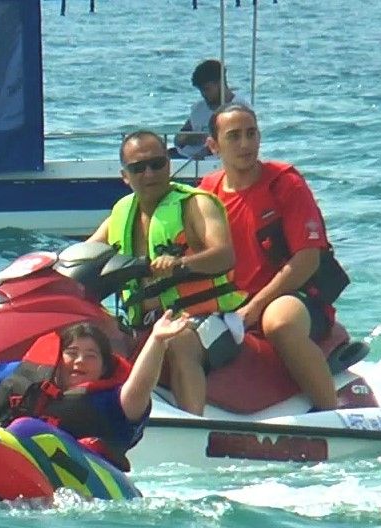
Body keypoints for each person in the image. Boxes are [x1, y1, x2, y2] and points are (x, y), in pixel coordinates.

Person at [87, 130, 246, 415]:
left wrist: (181, 264)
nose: (149, 173)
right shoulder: (121, 213)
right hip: (142, 323)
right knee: (88, 337)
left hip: (208, 321)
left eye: (157, 164)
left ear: (168, 165)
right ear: (125, 176)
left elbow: (225, 255)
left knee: (177, 341)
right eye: (138, 168)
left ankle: (193, 423)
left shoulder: (195, 204)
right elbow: (87, 254)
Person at [201, 104, 342, 410]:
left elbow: (308, 258)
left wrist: (254, 308)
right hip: (232, 303)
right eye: (234, 136)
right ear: (213, 145)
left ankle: (331, 413)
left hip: (293, 296)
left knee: (279, 324)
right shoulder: (207, 191)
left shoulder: (284, 183)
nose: (245, 144)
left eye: (251, 133)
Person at [0, 311, 190, 469]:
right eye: (72, 353)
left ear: (104, 366)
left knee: (27, 428)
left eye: (91, 356)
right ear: (58, 358)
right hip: (1, 451)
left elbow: (142, 385)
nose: (80, 361)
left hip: (77, 474)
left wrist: (157, 341)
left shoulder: (113, 401)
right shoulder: (27, 375)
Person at [174, 59, 250, 160]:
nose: (204, 94)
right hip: (188, 157)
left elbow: (236, 141)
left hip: (216, 159)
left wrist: (206, 149)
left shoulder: (240, 109)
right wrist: (192, 138)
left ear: (220, 83)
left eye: (207, 89)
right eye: (201, 90)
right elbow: (179, 138)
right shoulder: (199, 108)